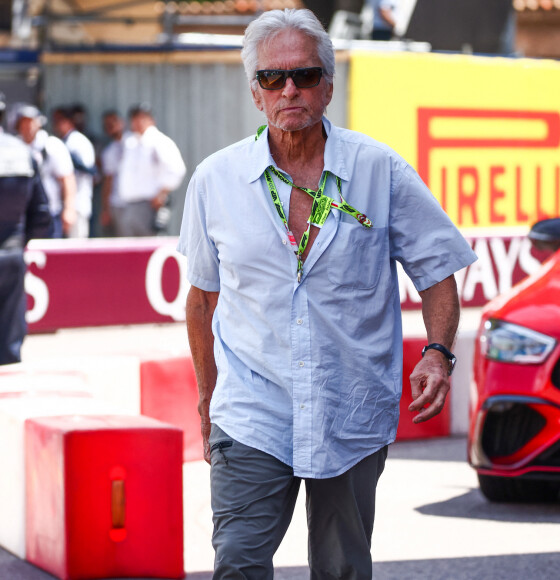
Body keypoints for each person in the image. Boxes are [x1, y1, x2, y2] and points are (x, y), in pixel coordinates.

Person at [177, 8, 477, 579]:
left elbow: (438, 271)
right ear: (256, 94)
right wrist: (207, 396)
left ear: (328, 87)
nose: (290, 88)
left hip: (350, 408)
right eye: (273, 78)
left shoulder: (380, 171)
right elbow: (200, 299)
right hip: (251, 410)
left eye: (305, 75)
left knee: (342, 569)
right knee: (237, 563)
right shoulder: (214, 180)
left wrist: (438, 353)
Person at [0, 92, 53, 365]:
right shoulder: (22, 152)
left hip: (13, 246)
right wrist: (18, 241)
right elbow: (42, 215)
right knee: (9, 346)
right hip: (11, 254)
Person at [116, 103, 186, 236]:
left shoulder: (158, 141)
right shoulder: (131, 142)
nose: (137, 122)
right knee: (131, 250)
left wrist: (161, 193)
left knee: (148, 247)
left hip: (148, 204)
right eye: (134, 118)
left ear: (151, 120)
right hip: (129, 204)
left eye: (142, 118)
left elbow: (177, 169)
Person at [15, 104, 76, 238]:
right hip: (20, 215)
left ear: (39, 123)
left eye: (31, 122)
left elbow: (67, 178)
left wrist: (69, 209)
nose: (28, 126)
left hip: (49, 212)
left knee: (50, 254)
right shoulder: (14, 147)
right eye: (24, 122)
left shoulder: (52, 145)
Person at [52, 106, 96, 238]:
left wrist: (71, 159)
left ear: (68, 121)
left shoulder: (78, 141)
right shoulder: (62, 141)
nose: (56, 125)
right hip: (63, 204)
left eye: (60, 121)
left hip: (78, 201)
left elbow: (92, 171)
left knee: (76, 246)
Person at [99, 110, 128, 236]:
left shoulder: (134, 142)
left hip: (139, 202)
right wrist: (106, 209)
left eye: (114, 122)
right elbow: (108, 181)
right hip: (118, 203)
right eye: (107, 124)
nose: (111, 125)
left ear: (122, 122)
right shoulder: (109, 152)